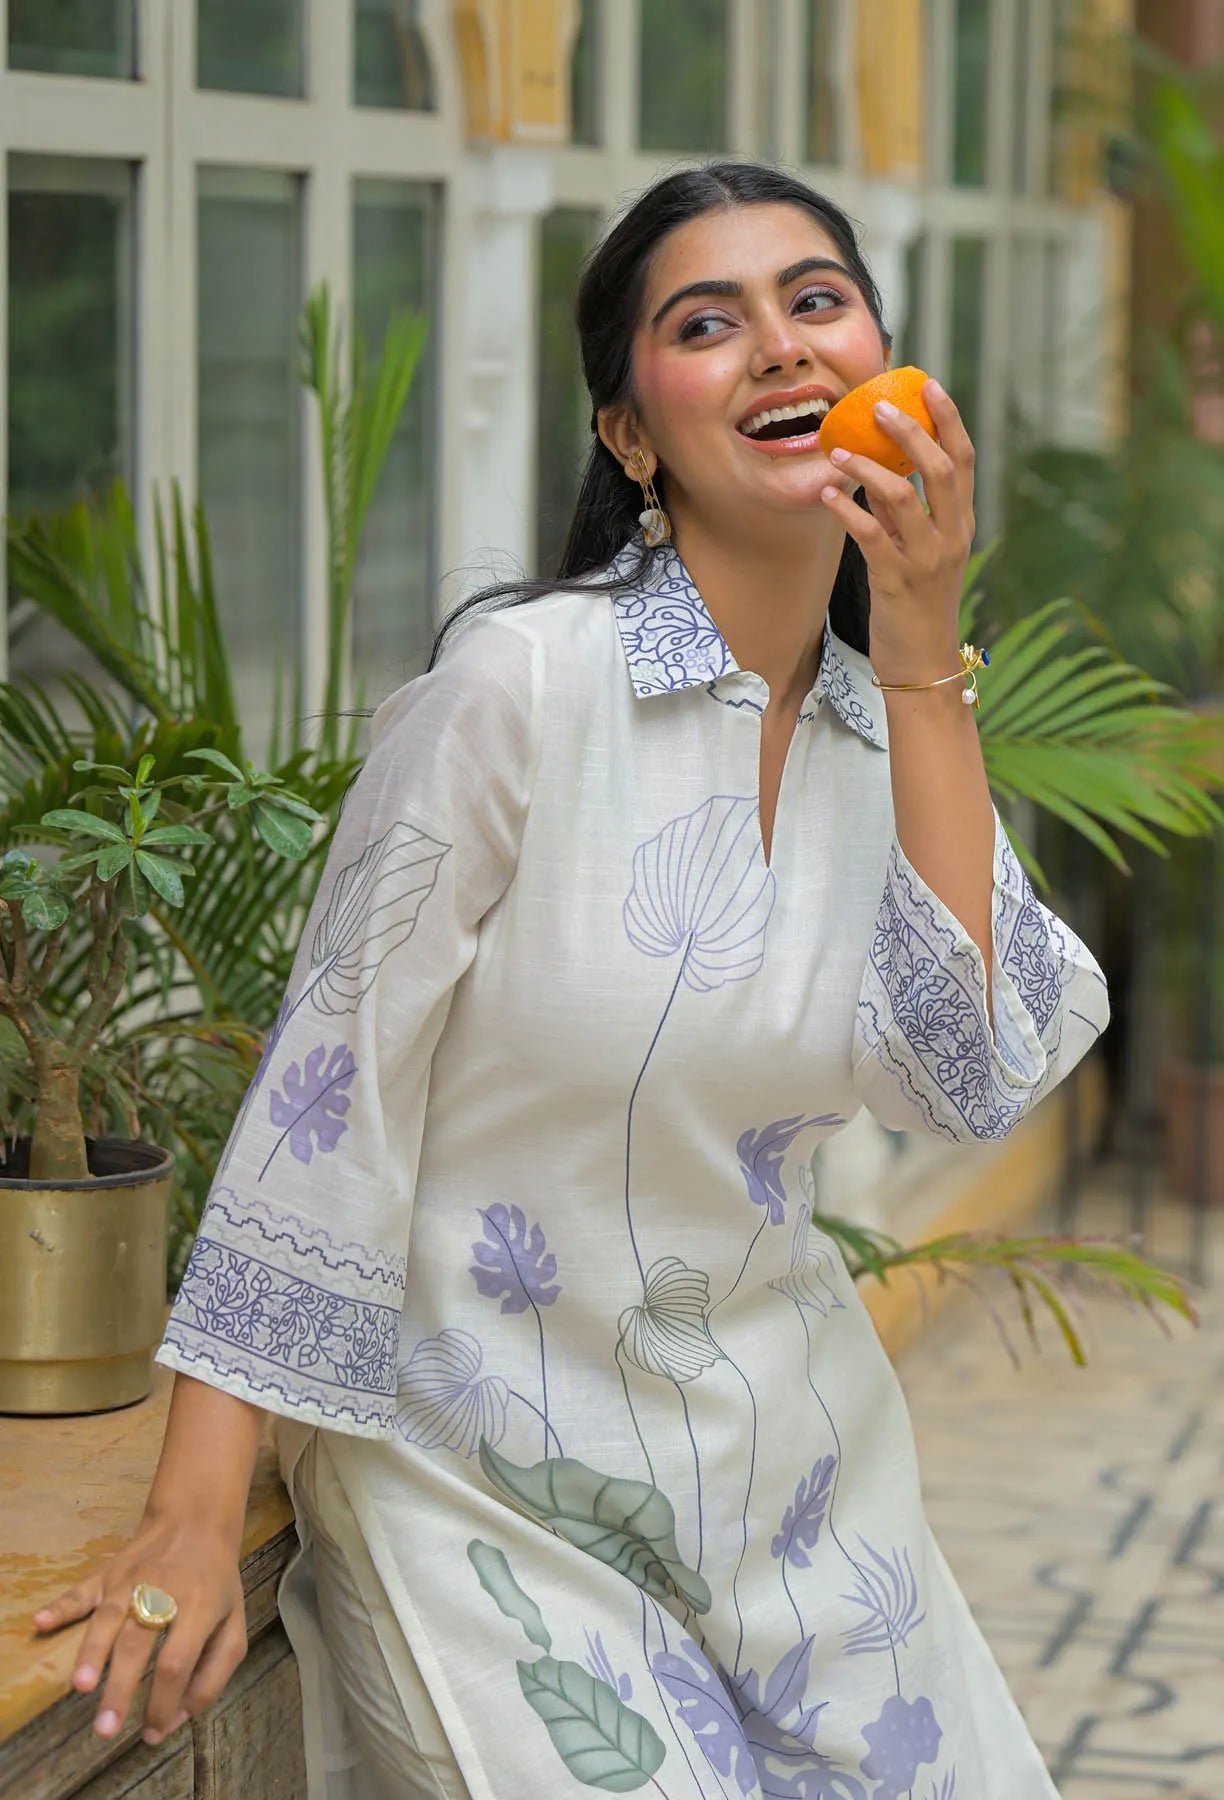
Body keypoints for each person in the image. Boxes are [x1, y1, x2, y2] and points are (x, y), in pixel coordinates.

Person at [34, 162, 1108, 1799]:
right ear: (628, 431)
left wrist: (920, 644)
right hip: (482, 1483)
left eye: (817, 302)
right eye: (708, 323)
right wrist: (192, 1503)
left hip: (794, 1486)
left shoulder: (903, 718)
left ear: (890, 363)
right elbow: (332, 1095)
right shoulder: (520, 693)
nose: (781, 349)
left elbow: (962, 1077)